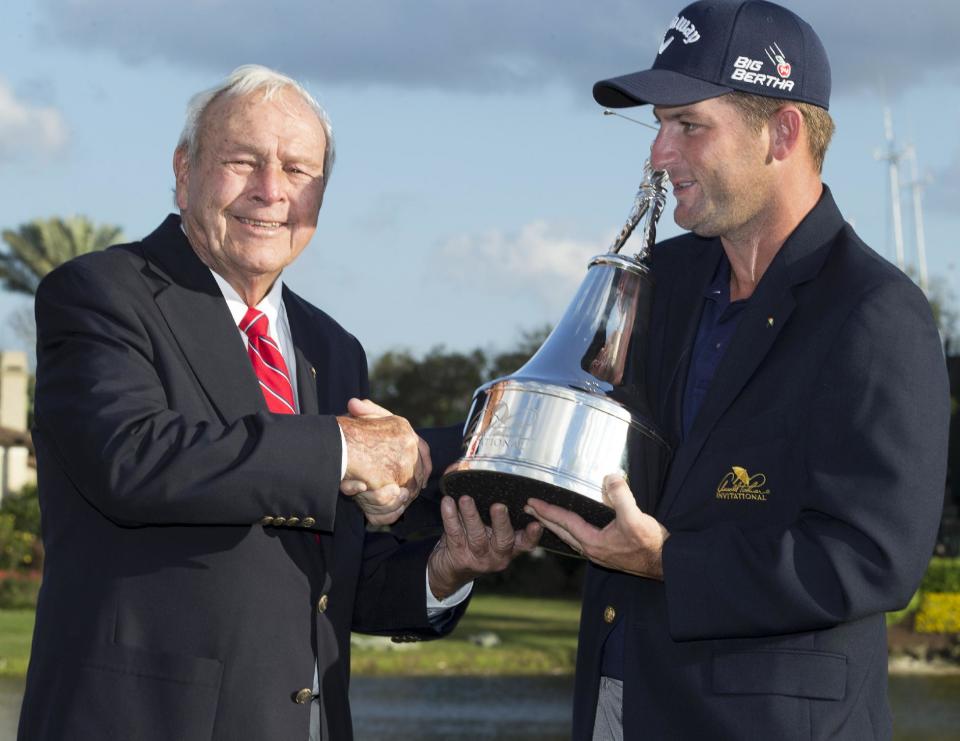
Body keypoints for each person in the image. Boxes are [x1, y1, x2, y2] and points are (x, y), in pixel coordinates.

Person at [18, 65, 540, 741]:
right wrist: (345, 447)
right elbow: (134, 458)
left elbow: (332, 579)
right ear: (184, 171)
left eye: (298, 170)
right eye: (244, 161)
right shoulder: (99, 293)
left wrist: (446, 569)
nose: (271, 191)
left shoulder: (333, 346)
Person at [524, 2, 950, 739]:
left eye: (688, 125)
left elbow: (874, 556)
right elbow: (577, 420)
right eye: (657, 125)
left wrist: (671, 563)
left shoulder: (877, 312)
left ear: (782, 133)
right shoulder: (666, 274)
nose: (659, 153)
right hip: (615, 703)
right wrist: (419, 455)